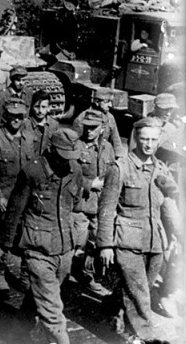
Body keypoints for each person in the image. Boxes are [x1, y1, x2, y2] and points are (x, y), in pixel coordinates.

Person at [97, 117, 178, 343]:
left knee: (136, 288)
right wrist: (105, 245)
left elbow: (169, 206)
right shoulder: (120, 168)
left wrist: (180, 236)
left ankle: (111, 310)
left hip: (155, 241)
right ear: (135, 139)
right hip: (127, 241)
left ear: (159, 140)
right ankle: (146, 337)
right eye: (144, 139)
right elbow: (107, 208)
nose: (148, 144)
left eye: (153, 139)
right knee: (140, 293)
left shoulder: (161, 169)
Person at [1, 128, 85, 344]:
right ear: (50, 150)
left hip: (65, 247)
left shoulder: (75, 169)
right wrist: (5, 244)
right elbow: (15, 208)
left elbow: (74, 205)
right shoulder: (32, 171)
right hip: (37, 248)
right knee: (53, 309)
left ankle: (16, 335)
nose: (66, 162)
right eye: (62, 156)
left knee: (41, 298)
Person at [0, 98, 36, 294]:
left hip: (26, 200)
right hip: (3, 201)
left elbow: (35, 169)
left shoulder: (30, 139)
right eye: (12, 116)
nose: (16, 120)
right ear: (5, 116)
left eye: (20, 116)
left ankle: (25, 275)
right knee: (0, 241)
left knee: (27, 238)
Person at [71, 110, 114, 296]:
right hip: (79, 203)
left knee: (95, 243)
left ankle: (88, 276)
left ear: (102, 129)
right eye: (86, 127)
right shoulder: (76, 146)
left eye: (93, 128)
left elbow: (111, 173)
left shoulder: (107, 148)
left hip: (99, 206)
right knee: (76, 243)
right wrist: (90, 184)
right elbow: (69, 175)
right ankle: (66, 276)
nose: (88, 131)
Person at [73, 87, 124, 158]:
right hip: (85, 155)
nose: (110, 105)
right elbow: (74, 141)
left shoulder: (110, 118)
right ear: (97, 102)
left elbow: (116, 140)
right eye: (107, 101)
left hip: (103, 155)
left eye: (111, 101)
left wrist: (118, 156)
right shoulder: (83, 117)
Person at [0, 65, 33, 131]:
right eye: (18, 80)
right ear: (12, 80)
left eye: (23, 80)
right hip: (7, 131)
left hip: (24, 130)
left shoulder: (28, 94)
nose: (21, 83)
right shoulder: (2, 96)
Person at [22, 89, 59, 156]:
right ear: (32, 107)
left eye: (44, 107)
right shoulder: (25, 124)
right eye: (37, 107)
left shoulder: (54, 124)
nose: (40, 111)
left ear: (49, 108)